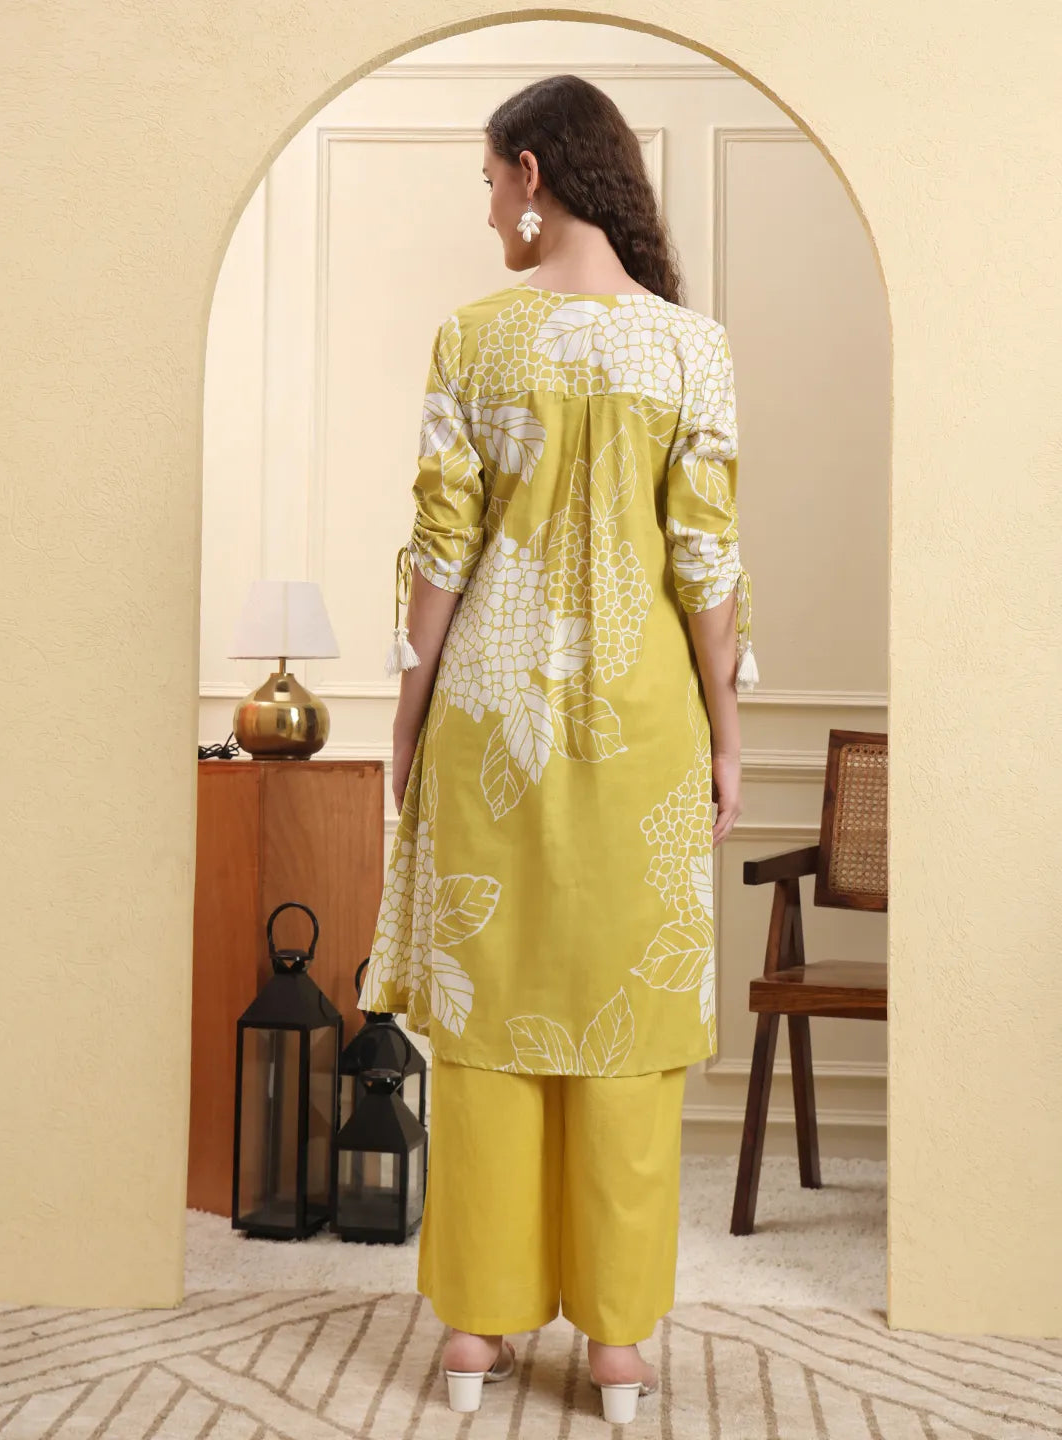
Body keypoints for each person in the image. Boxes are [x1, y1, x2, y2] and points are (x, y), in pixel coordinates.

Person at [358, 72, 758, 1425]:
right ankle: (618, 1347)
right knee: (627, 1031)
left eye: (489, 182)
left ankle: (476, 1331)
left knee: (487, 1019)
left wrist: (406, 712)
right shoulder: (692, 348)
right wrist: (729, 737)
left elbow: (440, 546)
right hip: (642, 724)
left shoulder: (474, 340)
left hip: (492, 719)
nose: (487, 211)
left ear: (533, 174)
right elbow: (708, 560)